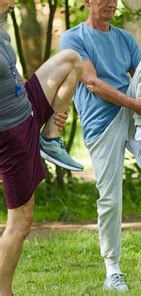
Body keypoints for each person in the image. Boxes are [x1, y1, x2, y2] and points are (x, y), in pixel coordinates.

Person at [60, 0, 141, 291]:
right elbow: (91, 82)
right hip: (101, 123)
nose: (110, 3)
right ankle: (112, 270)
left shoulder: (124, 38)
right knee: (110, 198)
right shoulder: (73, 38)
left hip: (131, 113)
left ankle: (140, 138)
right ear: (87, 2)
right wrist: (135, 103)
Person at [0, 0, 84, 294]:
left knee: (72, 60)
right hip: (10, 134)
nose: (12, 2)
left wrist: (48, 106)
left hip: (25, 103)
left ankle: (49, 138)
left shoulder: (2, 23)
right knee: (21, 219)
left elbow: (8, 71)